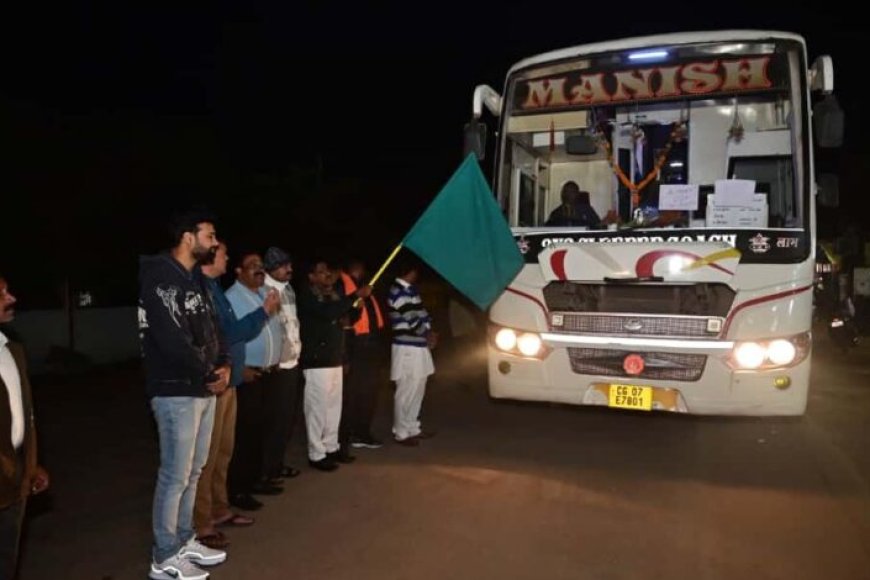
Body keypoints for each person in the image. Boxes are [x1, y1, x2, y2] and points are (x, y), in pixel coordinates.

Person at [138, 209, 229, 580]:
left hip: (202, 387)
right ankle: (164, 556)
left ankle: (183, 539)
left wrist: (224, 363)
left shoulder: (195, 280)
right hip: (176, 389)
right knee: (175, 474)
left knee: (193, 470)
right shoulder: (161, 278)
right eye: (209, 235)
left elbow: (213, 327)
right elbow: (172, 339)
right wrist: (208, 372)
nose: (215, 243)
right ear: (188, 237)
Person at [194, 243, 280, 549]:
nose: (227, 258)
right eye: (222, 253)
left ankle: (219, 508)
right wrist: (263, 312)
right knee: (206, 457)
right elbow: (229, 333)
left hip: (228, 382)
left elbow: (229, 332)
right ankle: (201, 522)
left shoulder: (214, 289)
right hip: (213, 383)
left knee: (223, 452)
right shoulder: (201, 291)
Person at [297, 259, 372, 471]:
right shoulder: (308, 295)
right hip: (317, 361)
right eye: (321, 272)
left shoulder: (333, 295)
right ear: (311, 276)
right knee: (317, 409)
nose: (327, 275)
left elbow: (345, 318)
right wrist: (354, 296)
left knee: (333, 407)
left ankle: (331, 447)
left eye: (328, 271)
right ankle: (316, 453)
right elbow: (328, 313)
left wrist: (357, 308)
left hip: (334, 358)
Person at [225, 253, 285, 506]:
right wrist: (239, 369)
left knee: (262, 430)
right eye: (253, 266)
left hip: (268, 373)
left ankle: (256, 478)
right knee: (245, 434)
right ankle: (238, 489)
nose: (259, 270)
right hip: (248, 375)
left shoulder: (263, 293)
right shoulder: (231, 297)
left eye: (261, 266)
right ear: (238, 271)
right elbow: (228, 337)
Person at [0, 277, 49, 579]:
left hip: (16, 481)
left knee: (7, 563)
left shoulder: (11, 350)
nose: (11, 298)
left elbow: (26, 416)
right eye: (1, 294)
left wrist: (31, 465)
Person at [262, 247, 303, 481]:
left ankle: (276, 465)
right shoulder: (264, 291)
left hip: (291, 363)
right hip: (276, 367)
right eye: (283, 266)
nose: (289, 269)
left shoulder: (288, 289)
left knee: (286, 420)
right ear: (270, 268)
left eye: (289, 264)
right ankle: (267, 470)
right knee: (272, 421)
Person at [387, 258, 437, 446]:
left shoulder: (410, 291)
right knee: (406, 390)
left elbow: (422, 315)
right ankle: (401, 432)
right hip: (407, 346)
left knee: (418, 386)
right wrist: (427, 334)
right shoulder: (398, 291)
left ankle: (412, 427)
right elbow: (412, 319)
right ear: (411, 272)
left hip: (417, 345)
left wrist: (430, 332)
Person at [339, 260, 386, 451]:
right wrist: (345, 355)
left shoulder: (362, 286)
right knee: (357, 392)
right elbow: (346, 317)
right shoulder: (343, 284)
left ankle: (360, 431)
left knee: (368, 392)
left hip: (370, 345)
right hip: (357, 345)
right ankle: (355, 433)